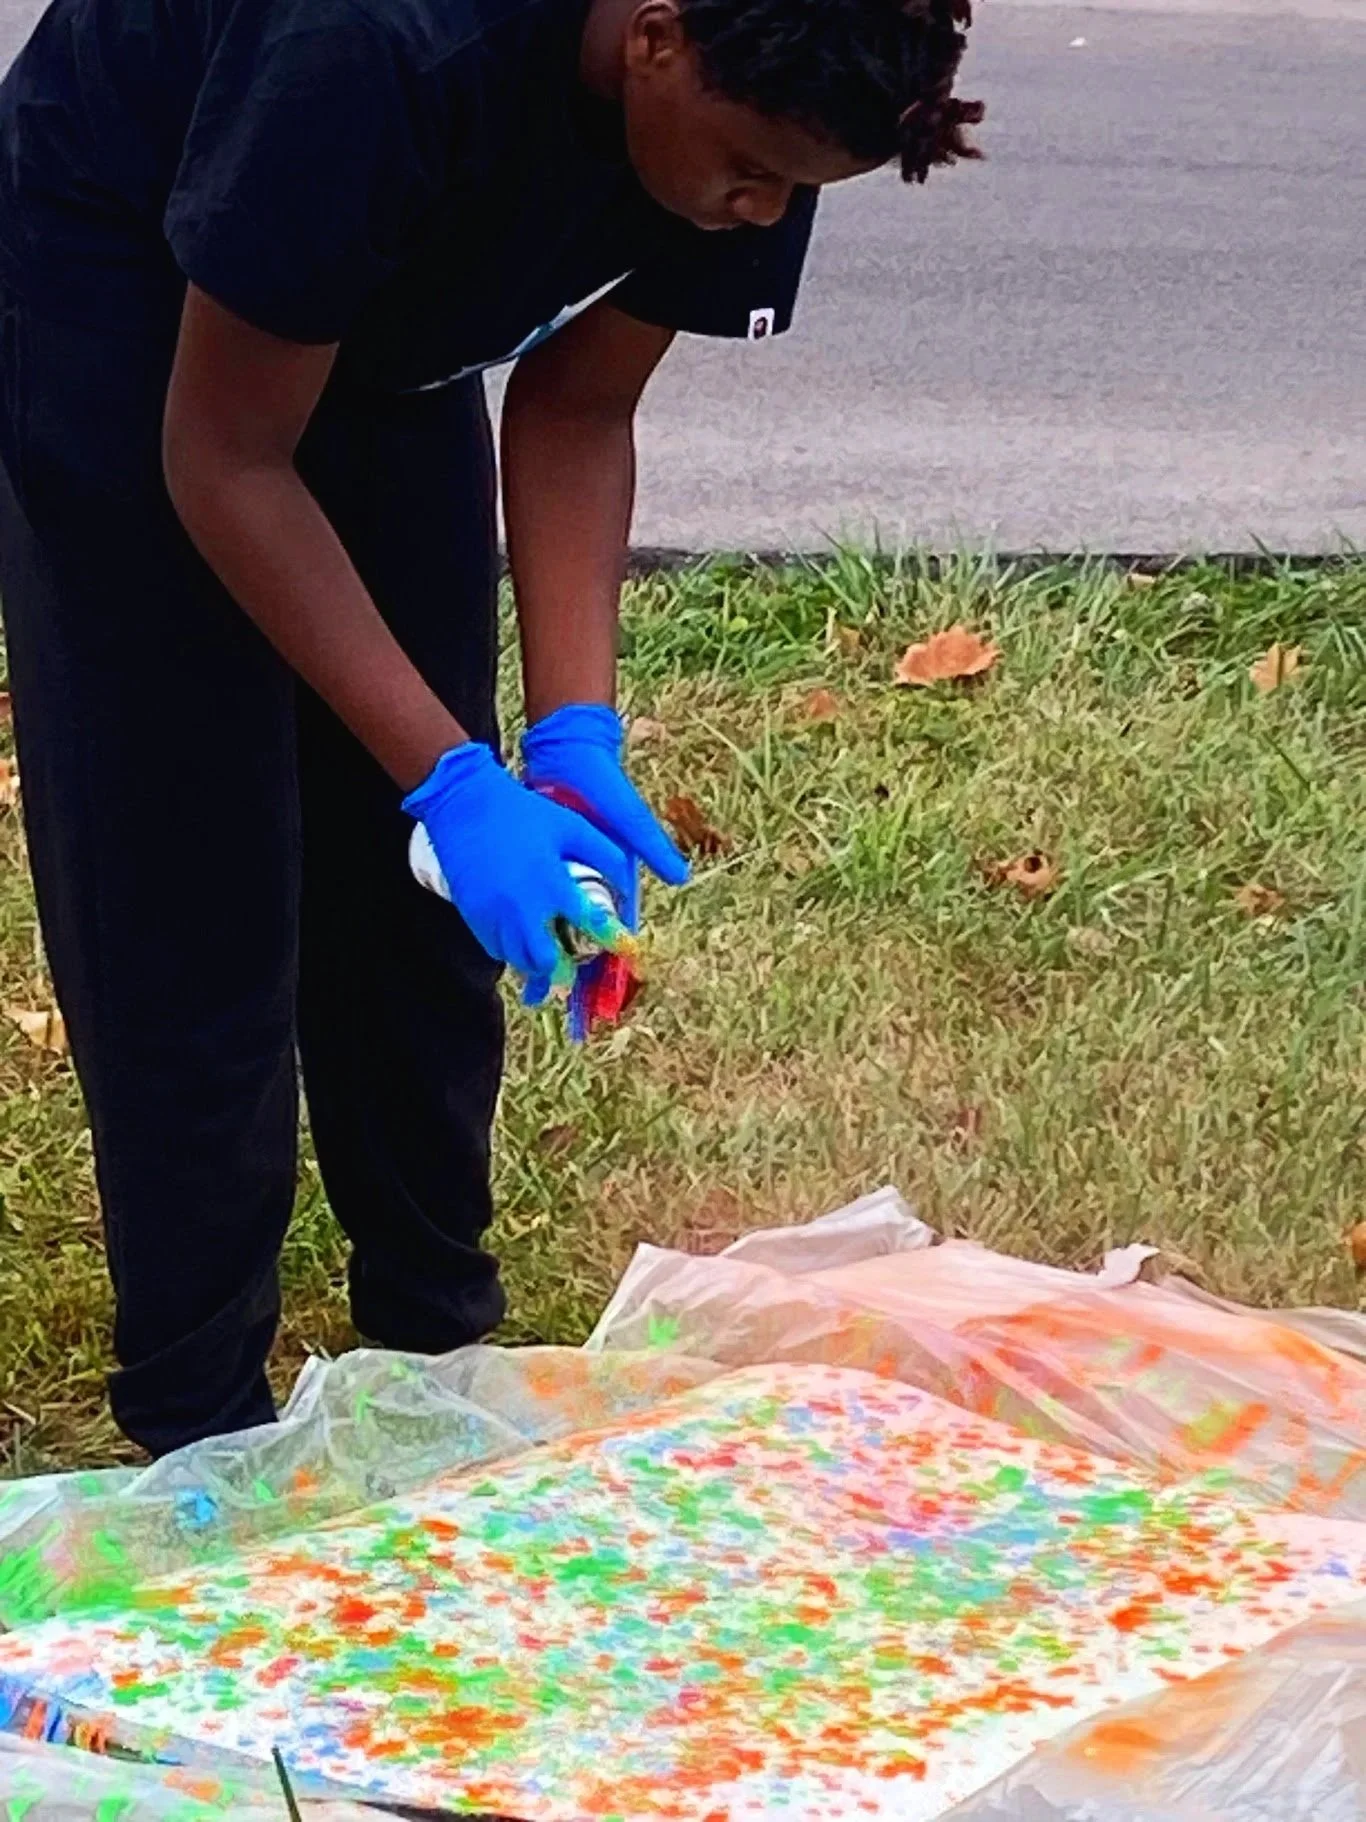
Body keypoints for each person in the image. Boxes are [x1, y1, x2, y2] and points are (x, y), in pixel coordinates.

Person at [0, 0, 981, 1455]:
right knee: (192, 869)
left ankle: (432, 1332)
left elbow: (580, 408)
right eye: (749, 175)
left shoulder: (771, 77)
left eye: (790, 191)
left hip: (375, 284)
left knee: (417, 905)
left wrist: (569, 734)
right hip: (121, 282)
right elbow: (224, 454)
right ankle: (199, 1411)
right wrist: (452, 772)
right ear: (652, 38)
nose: (758, 211)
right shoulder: (380, 48)